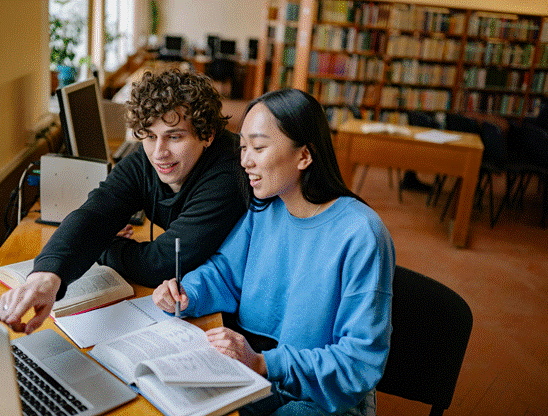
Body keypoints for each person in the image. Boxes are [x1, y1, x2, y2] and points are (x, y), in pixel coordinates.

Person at [153, 88, 395, 416]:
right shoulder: (265, 207)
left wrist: (263, 363)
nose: (245, 160)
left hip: (322, 400)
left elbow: (358, 362)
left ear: (304, 156)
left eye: (259, 147)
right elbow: (225, 272)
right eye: (243, 147)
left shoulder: (361, 233)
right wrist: (186, 293)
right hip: (263, 376)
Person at [0, 69, 246, 334]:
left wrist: (106, 245)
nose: (159, 153)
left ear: (207, 134)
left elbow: (161, 263)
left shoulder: (229, 172)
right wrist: (46, 275)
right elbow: (97, 212)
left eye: (174, 136)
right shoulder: (147, 158)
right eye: (150, 136)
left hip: (234, 316)